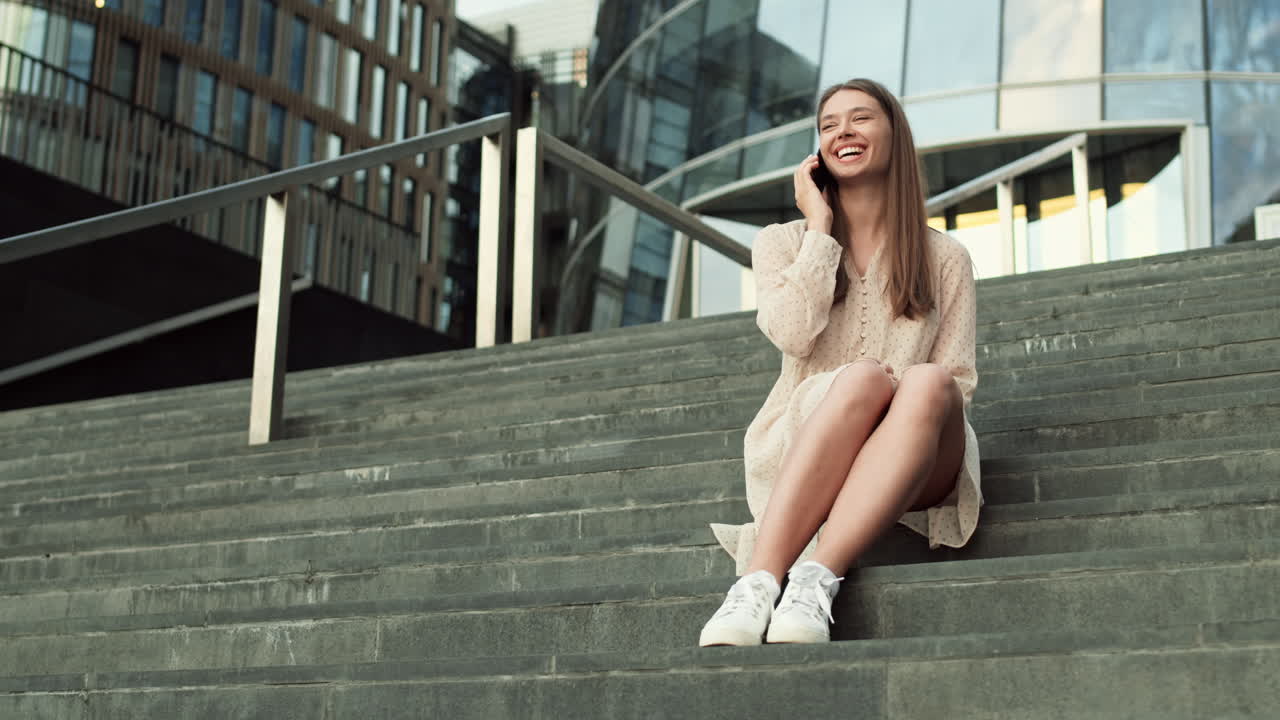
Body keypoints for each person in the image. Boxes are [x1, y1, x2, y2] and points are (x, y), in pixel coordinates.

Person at [699, 78, 981, 647]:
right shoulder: (782, 242)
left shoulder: (946, 257)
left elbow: (960, 382)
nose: (843, 133)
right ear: (817, 150)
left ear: (893, 136)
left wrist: (889, 395)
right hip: (811, 428)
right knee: (861, 379)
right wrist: (820, 230)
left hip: (918, 445)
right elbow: (792, 335)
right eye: (829, 125)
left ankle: (808, 580)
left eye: (860, 119)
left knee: (928, 380)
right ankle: (772, 582)